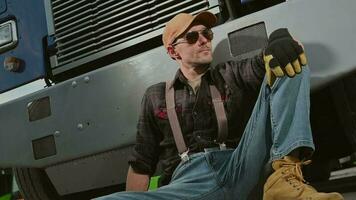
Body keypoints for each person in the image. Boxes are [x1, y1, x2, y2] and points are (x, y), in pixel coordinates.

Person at [95, 11, 343, 200]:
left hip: (240, 166)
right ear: (173, 52)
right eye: (193, 37)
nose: (204, 40)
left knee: (289, 61)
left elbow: (264, 62)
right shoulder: (155, 95)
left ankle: (284, 178)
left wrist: (280, 40)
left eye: (207, 34)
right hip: (185, 186)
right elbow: (141, 165)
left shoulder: (228, 74)